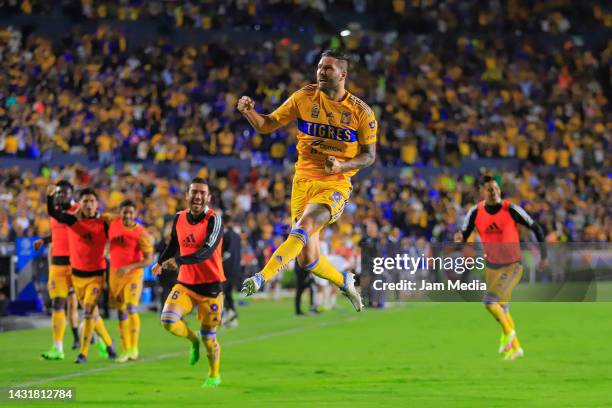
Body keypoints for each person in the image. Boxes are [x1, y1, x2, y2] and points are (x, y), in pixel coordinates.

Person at [237, 49, 378, 312]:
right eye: (320, 67)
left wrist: (342, 165)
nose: (321, 72)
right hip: (303, 180)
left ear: (343, 75)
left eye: (328, 68)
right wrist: (249, 112)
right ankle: (343, 281)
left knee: (306, 225)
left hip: (334, 183)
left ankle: (260, 277)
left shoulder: (361, 112)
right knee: (307, 258)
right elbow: (267, 125)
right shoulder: (304, 97)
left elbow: (369, 156)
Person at [455, 175, 547, 361]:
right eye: (490, 189)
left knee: (489, 302)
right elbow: (464, 235)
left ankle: (508, 335)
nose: (494, 191)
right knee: (502, 310)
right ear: (482, 192)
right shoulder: (475, 212)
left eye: (496, 188)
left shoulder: (511, 209)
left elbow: (535, 227)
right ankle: (516, 348)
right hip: (492, 268)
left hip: (512, 266)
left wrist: (544, 255)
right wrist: (462, 244)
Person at [152, 178, 225, 388]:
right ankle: (193, 341)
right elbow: (173, 244)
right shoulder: (179, 218)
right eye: (194, 192)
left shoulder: (214, 220)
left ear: (208, 197)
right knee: (167, 320)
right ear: (187, 195)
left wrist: (178, 261)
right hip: (185, 284)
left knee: (209, 337)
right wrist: (160, 262)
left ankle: (214, 375)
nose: (198, 196)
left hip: (210, 288)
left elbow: (206, 251)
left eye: (203, 192)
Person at [46, 185, 117, 363]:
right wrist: (49, 198)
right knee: (89, 313)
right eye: (86, 201)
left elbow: (120, 234)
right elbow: (55, 221)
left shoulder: (102, 222)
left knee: (87, 310)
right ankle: (108, 344)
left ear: (97, 204)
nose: (89, 204)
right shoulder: (73, 220)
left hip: (96, 274)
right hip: (76, 274)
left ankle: (83, 353)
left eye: (92, 201)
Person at [35, 180, 81, 360]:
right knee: (58, 304)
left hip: (75, 264)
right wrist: (44, 241)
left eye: (64, 192)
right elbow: (58, 233)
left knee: (85, 306)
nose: (61, 195)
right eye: (59, 193)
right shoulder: (55, 213)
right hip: (57, 264)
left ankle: (104, 341)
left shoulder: (79, 210)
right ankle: (58, 348)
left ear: (72, 193)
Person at [108, 200, 153, 362]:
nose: (127, 215)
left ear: (135, 214)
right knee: (120, 311)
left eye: (130, 212)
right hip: (115, 274)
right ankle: (126, 349)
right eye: (124, 212)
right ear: (120, 212)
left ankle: (134, 348)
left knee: (131, 308)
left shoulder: (141, 233)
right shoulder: (113, 222)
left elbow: (148, 260)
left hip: (133, 275)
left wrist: (129, 267)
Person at [221, 213, 241, 328]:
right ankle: (232, 313)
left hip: (226, 268)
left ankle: (229, 313)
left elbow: (224, 253)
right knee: (228, 292)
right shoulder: (237, 235)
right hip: (236, 268)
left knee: (222, 292)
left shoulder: (226, 235)